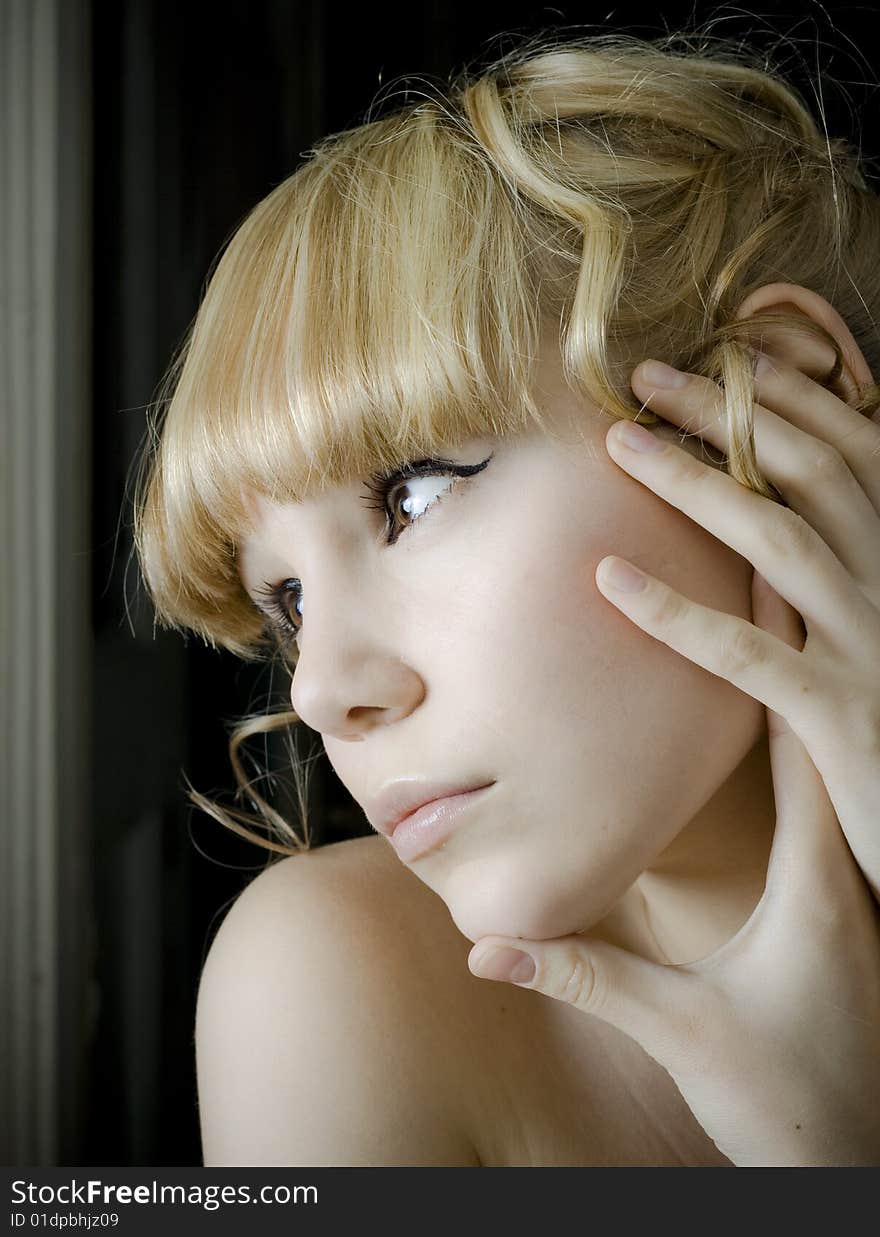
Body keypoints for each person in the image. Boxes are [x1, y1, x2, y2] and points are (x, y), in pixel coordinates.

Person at [132, 30, 880, 1166]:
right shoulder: (331, 983)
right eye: (284, 600)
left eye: (414, 494)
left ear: (762, 404)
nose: (327, 689)